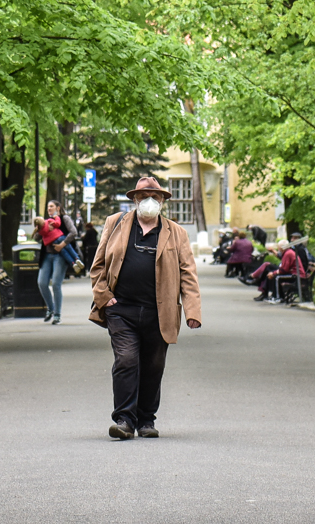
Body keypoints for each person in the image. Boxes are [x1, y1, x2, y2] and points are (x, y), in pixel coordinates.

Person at [87, 176, 202, 441]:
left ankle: (146, 419)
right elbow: (98, 265)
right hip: (121, 309)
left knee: (153, 365)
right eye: (144, 196)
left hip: (159, 312)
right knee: (126, 360)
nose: (150, 201)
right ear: (135, 200)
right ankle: (125, 419)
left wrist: (192, 311)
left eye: (155, 196)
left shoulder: (177, 233)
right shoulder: (115, 224)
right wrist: (104, 296)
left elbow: (188, 274)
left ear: (162, 201)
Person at [32, 200, 78, 324]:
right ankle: (50, 308)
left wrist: (62, 244)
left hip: (60, 255)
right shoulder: (46, 222)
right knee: (41, 282)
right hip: (47, 255)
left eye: (51, 206)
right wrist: (38, 228)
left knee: (56, 284)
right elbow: (38, 238)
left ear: (58, 208)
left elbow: (74, 232)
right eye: (48, 207)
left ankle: (57, 314)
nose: (49, 209)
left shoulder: (64, 218)